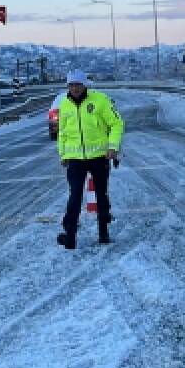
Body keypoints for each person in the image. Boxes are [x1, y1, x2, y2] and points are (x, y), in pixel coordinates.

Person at [56, 70, 124, 249]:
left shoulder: (100, 100)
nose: (75, 88)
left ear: (85, 85)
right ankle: (70, 235)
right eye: (71, 85)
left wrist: (112, 147)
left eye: (78, 84)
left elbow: (117, 123)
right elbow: (62, 132)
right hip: (75, 159)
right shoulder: (64, 104)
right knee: (75, 194)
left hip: (99, 157)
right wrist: (63, 155)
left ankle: (103, 231)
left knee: (101, 194)